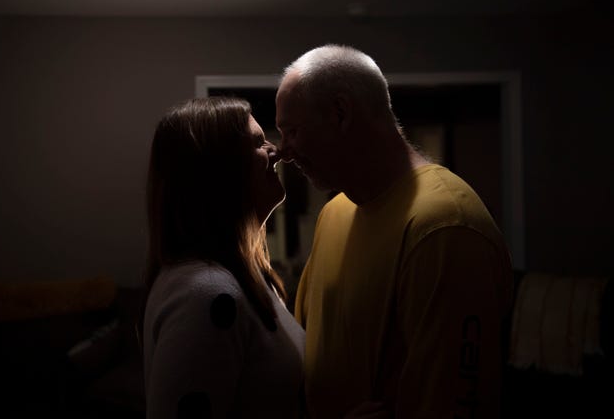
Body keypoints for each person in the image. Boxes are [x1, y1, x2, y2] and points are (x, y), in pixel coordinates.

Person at [275, 44, 513, 418]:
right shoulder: (334, 213)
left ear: (340, 113)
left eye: (292, 131)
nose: (283, 151)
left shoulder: (445, 226)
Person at [142, 97, 305, 419]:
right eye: (258, 143)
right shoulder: (206, 293)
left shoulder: (246, 277)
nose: (278, 151)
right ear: (220, 171)